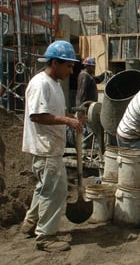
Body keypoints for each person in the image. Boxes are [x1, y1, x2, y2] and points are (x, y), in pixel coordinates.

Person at [20, 41, 84, 252]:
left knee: (44, 189)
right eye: (68, 66)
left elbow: (52, 111)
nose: (71, 70)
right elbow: (38, 116)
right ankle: (45, 237)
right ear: (55, 63)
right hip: (45, 149)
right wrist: (66, 122)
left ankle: (30, 224)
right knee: (55, 192)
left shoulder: (54, 83)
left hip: (49, 148)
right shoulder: (41, 83)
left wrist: (69, 117)